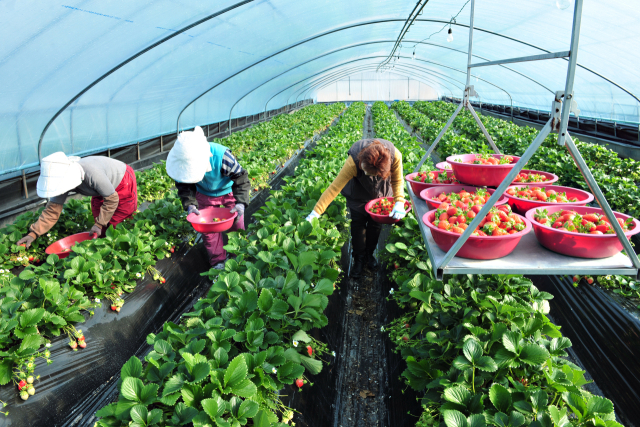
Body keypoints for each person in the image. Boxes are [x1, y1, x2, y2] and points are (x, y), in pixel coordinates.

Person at [305, 139, 406, 278]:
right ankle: (358, 258)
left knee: (375, 225)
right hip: (358, 194)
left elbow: (397, 180)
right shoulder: (353, 161)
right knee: (358, 224)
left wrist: (399, 200)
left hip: (380, 195)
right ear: (361, 162)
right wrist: (314, 213)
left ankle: (369, 255)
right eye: (366, 171)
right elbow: (334, 188)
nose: (369, 176)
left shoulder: (396, 156)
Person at [166, 126, 250, 269]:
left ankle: (238, 255)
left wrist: (241, 202)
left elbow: (241, 178)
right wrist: (190, 204)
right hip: (204, 193)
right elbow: (184, 186)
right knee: (208, 228)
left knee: (236, 221)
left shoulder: (222, 157)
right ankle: (218, 261)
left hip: (228, 190)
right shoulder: (182, 164)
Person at [17, 152, 138, 247]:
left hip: (122, 180)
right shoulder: (61, 181)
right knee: (100, 217)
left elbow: (112, 199)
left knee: (119, 219)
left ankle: (125, 244)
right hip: (101, 189)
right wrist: (33, 233)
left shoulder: (92, 174)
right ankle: (104, 246)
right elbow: (52, 210)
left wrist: (99, 224)